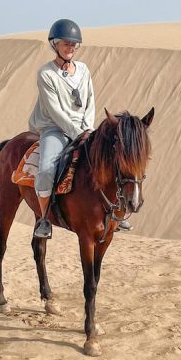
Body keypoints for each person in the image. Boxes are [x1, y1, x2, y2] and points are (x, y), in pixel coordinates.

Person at [28, 19, 131, 239]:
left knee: (114, 161)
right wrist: (77, 132)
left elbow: (90, 101)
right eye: (66, 43)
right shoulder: (46, 74)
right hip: (54, 129)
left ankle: (118, 213)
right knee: (46, 170)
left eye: (74, 44)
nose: (71, 47)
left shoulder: (83, 70)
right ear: (54, 44)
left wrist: (88, 128)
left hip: (84, 128)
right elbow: (55, 111)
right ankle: (44, 218)